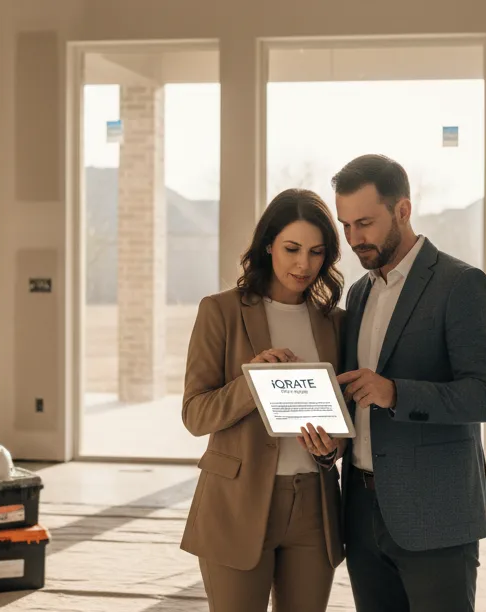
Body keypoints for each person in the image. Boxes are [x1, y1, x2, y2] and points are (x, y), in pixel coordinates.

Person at [328, 154, 486, 612]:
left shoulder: (462, 284)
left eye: (364, 223)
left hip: (437, 513)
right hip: (361, 513)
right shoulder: (359, 293)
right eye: (346, 225)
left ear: (403, 211)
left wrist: (395, 393)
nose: (354, 239)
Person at [180, 188, 348, 612]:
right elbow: (195, 414)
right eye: (292, 248)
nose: (303, 264)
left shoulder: (336, 323)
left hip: (314, 507)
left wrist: (330, 450)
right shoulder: (220, 311)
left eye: (316, 252)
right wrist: (252, 382)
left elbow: (344, 419)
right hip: (235, 504)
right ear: (269, 244)